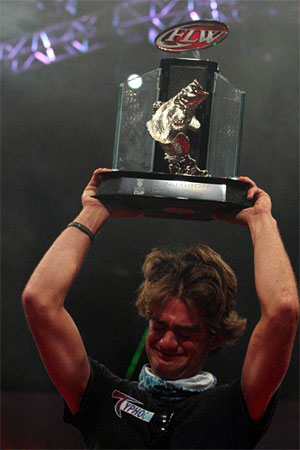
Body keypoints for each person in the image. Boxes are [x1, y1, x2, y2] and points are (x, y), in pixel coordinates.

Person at [22, 168, 299, 449]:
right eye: (159, 326)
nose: (167, 342)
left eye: (185, 333)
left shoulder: (235, 409)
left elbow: (283, 310)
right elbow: (39, 300)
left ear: (213, 338)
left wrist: (261, 219)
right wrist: (93, 213)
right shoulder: (103, 396)